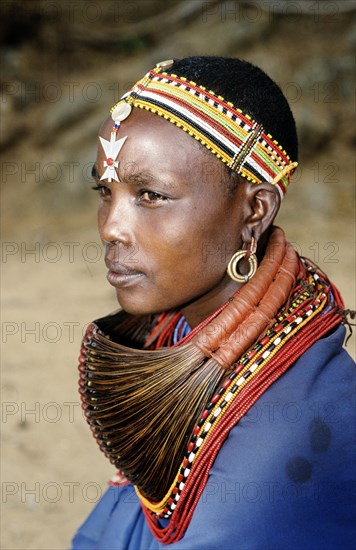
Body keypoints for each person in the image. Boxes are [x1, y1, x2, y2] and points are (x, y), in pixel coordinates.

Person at [72, 56, 355, 549]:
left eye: (151, 195)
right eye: (105, 191)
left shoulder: (284, 441)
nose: (111, 228)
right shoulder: (183, 333)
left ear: (254, 210)